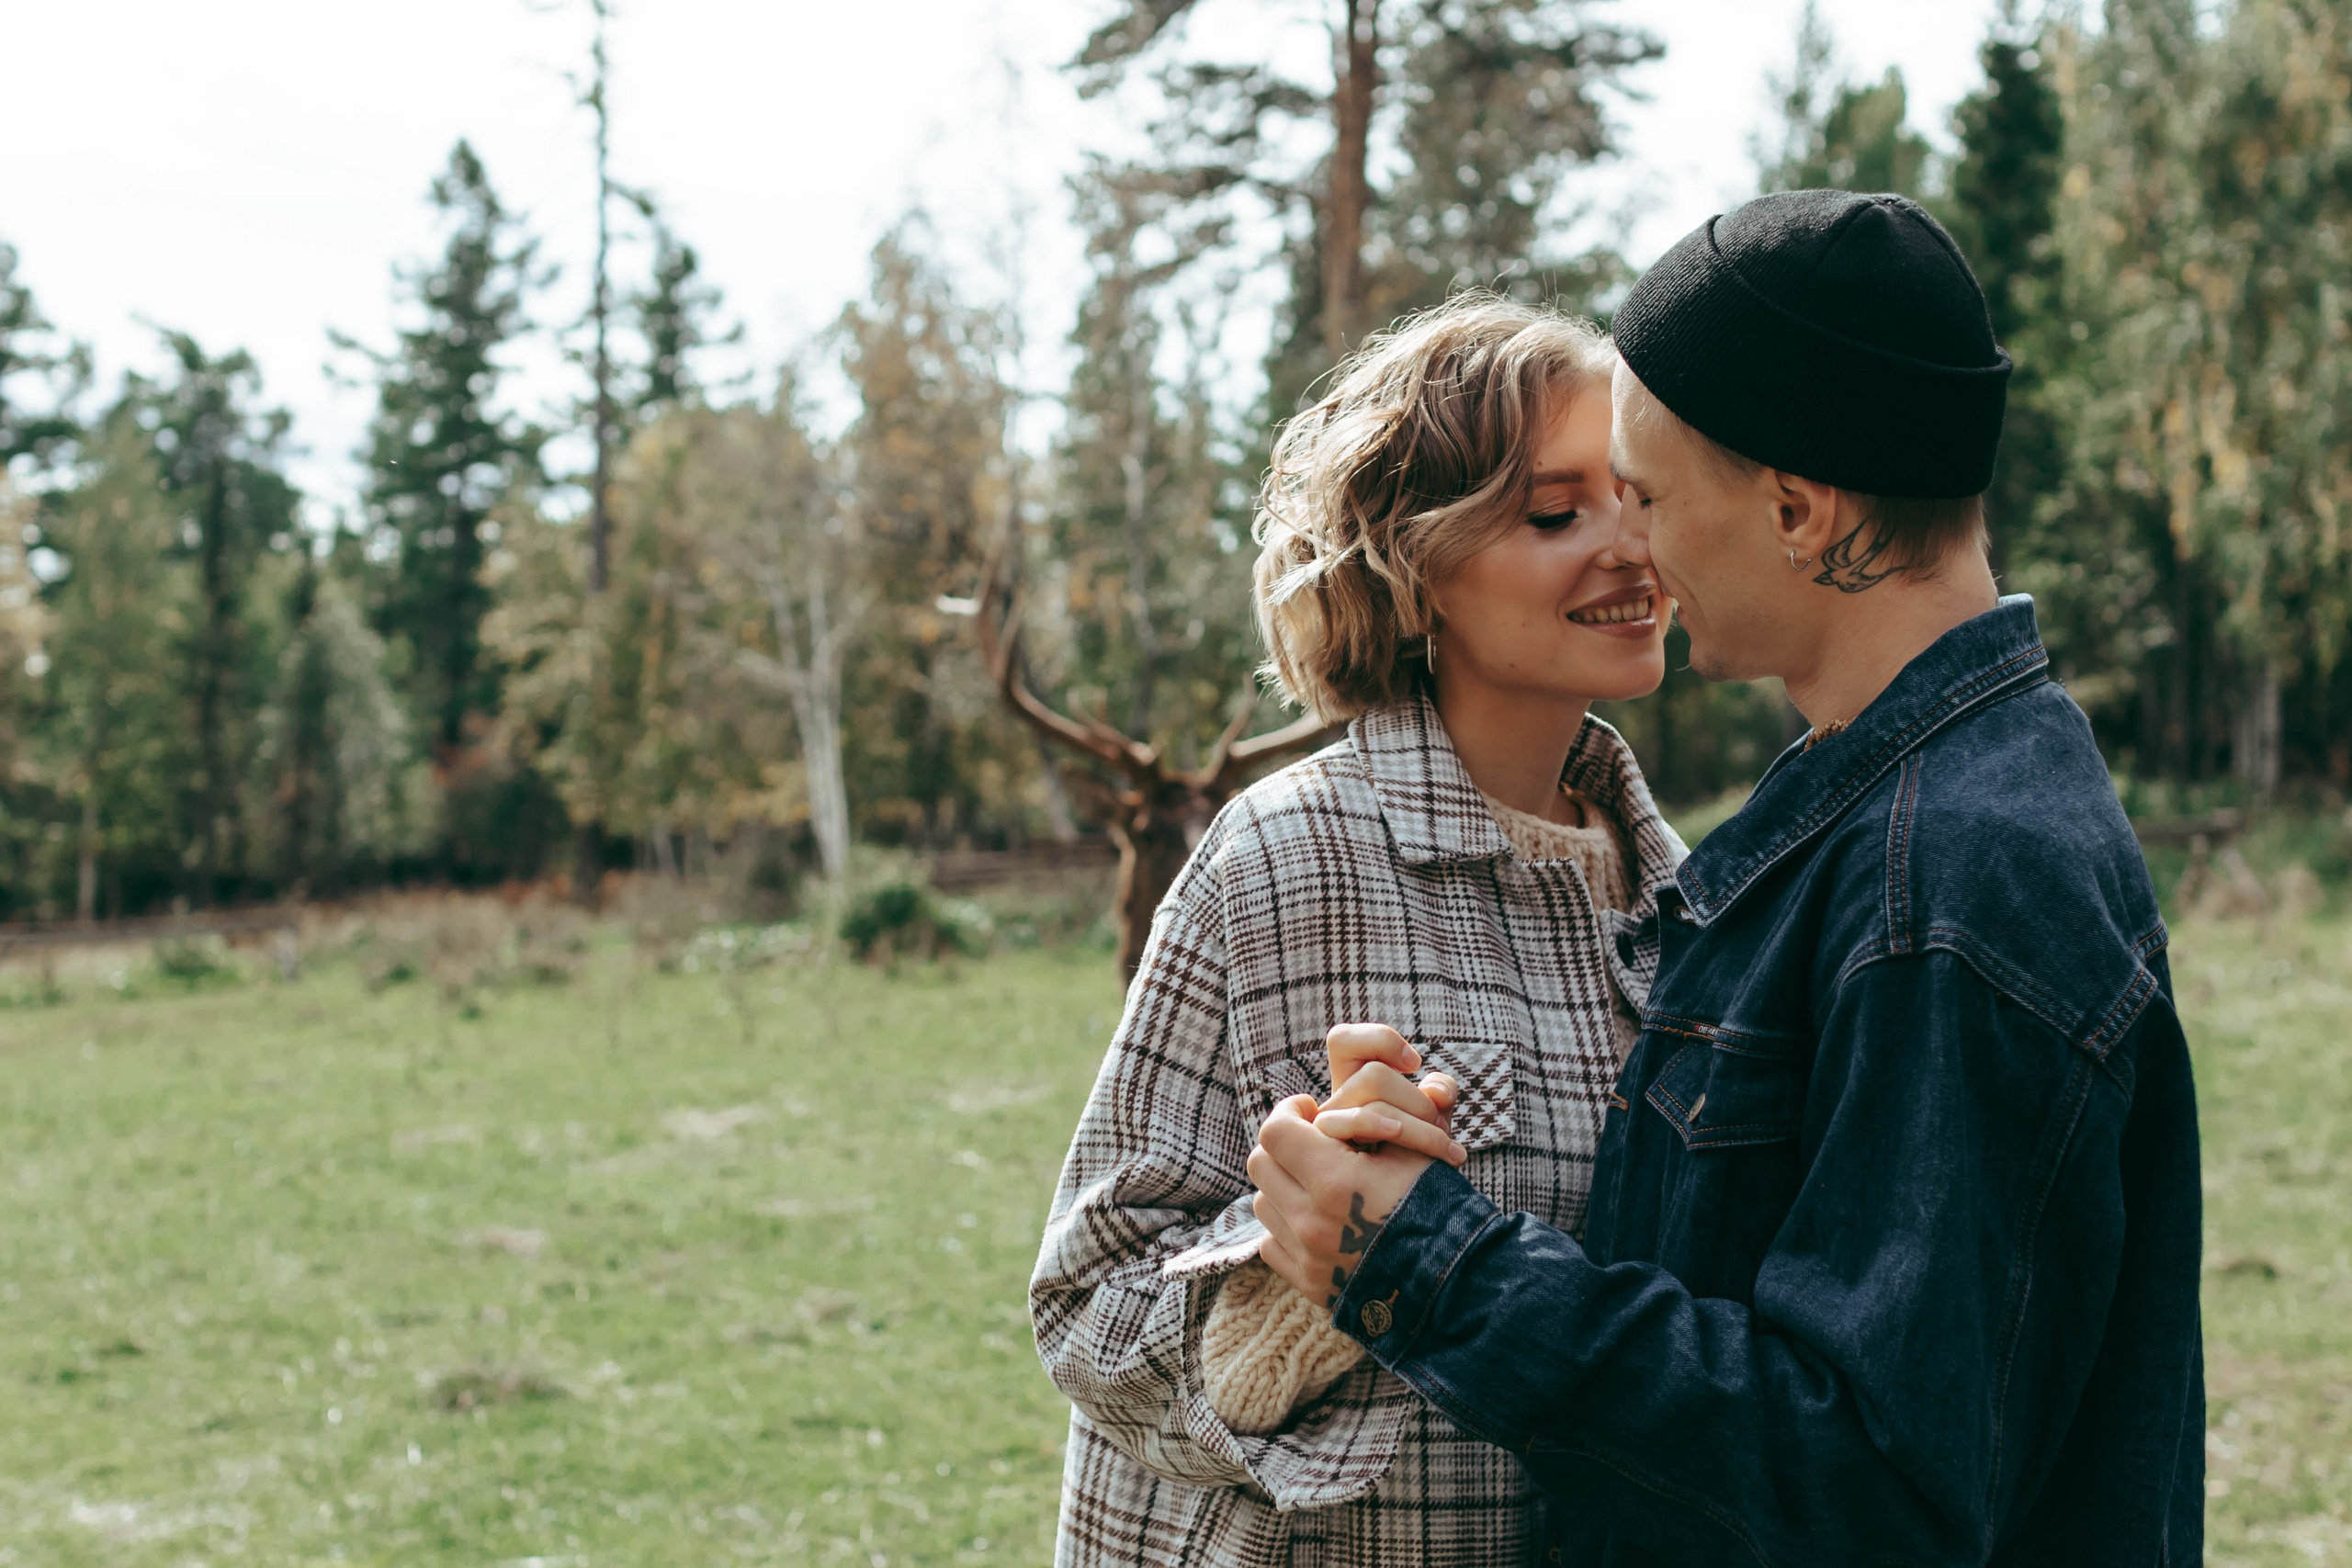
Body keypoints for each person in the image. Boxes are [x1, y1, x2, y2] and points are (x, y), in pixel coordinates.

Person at [1248, 190, 2205, 1565]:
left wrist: (1430, 1262)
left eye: (1645, 495)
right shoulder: (1888, 819)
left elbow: (1872, 1489)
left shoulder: (1947, 887)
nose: (1632, 547)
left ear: (1798, 511)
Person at [1028, 294, 1690, 1566]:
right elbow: (1085, 1310)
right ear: (1414, 566)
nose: (1631, 548)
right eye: (1556, 514)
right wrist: (1300, 1288)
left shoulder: (1697, 911)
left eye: (1639, 496)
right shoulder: (1282, 861)